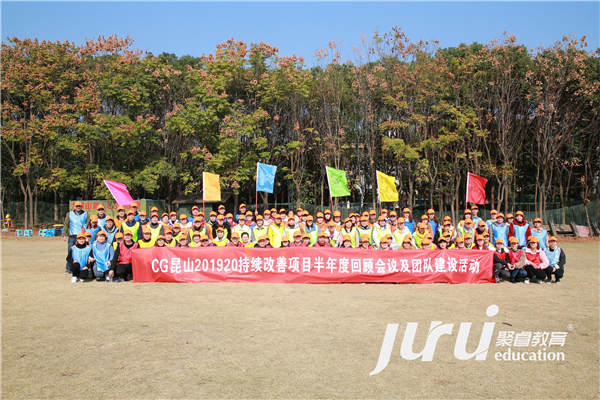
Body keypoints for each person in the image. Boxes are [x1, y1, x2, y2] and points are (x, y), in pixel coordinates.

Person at [63, 201, 88, 273]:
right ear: (74, 207)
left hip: (81, 237)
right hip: (72, 236)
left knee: (81, 252)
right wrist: (65, 234)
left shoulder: (85, 214)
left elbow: (87, 224)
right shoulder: (69, 214)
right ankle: (68, 268)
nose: (78, 207)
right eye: (77, 206)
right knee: (70, 252)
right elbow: (66, 224)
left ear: (81, 207)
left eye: (79, 206)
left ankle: (81, 267)